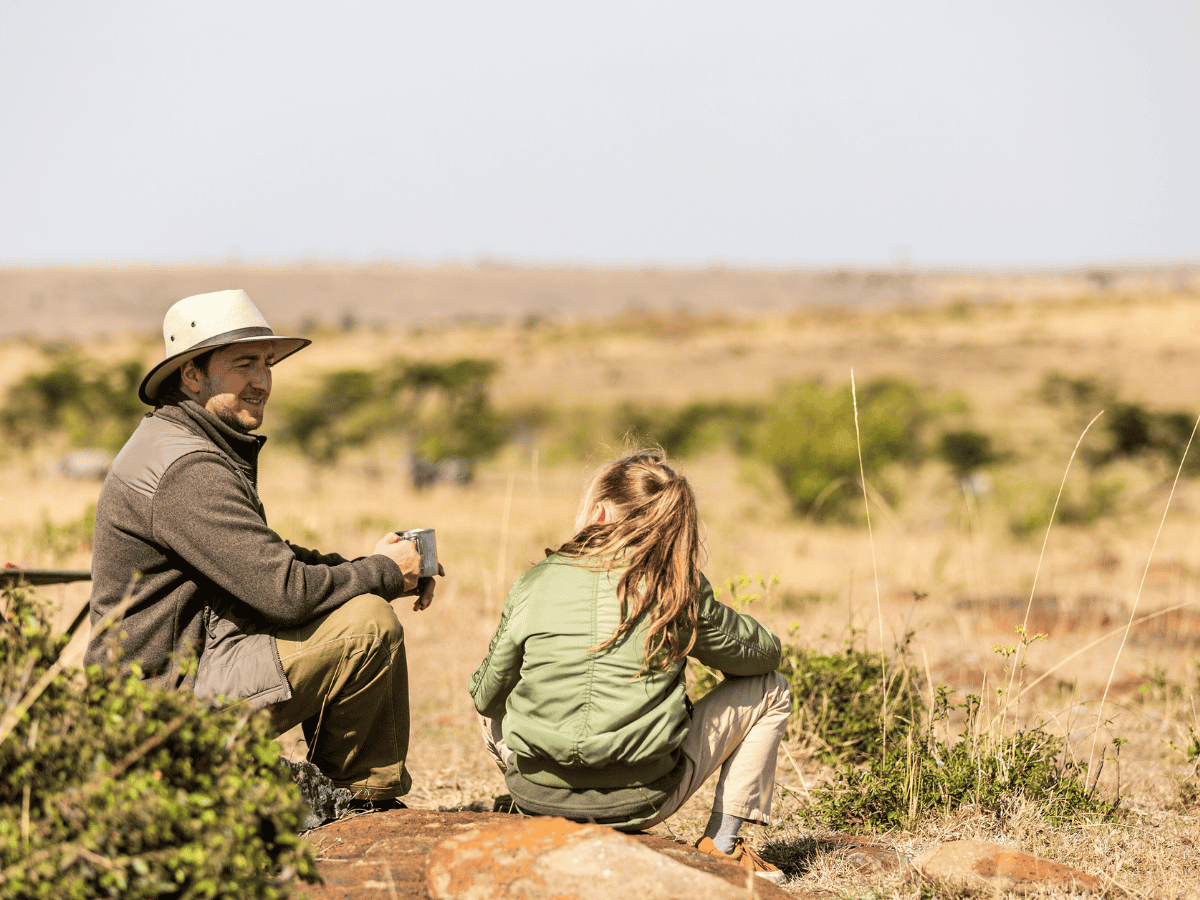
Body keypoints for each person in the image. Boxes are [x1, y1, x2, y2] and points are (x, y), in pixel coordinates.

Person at [85, 289, 440, 805]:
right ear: (192, 375)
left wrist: (373, 564)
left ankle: (352, 798)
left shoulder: (183, 441)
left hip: (171, 685)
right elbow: (284, 593)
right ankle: (361, 801)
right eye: (243, 364)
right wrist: (382, 574)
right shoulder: (189, 469)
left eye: (267, 364)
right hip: (155, 716)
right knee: (367, 624)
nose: (262, 380)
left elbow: (262, 557)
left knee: (357, 602)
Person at [469, 448, 790, 884]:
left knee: (490, 702)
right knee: (772, 688)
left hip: (536, 795)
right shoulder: (679, 588)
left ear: (599, 512)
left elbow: (487, 696)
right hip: (639, 802)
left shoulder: (536, 580)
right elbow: (763, 658)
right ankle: (724, 844)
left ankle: (550, 799)